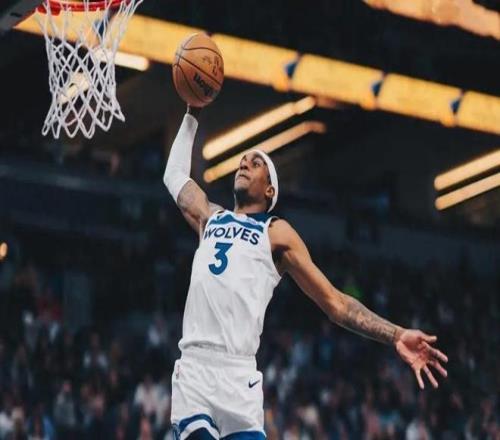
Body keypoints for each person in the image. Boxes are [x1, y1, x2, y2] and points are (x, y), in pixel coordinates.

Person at [163, 106, 448, 440]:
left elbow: (336, 304)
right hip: (196, 368)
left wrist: (396, 335)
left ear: (270, 191)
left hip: (239, 377)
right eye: (243, 161)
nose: (245, 164)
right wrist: (193, 113)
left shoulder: (276, 232)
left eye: (256, 163)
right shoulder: (210, 218)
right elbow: (174, 176)